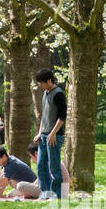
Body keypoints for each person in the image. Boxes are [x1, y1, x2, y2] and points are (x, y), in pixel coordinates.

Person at [33, 68, 66, 199]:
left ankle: (56, 194)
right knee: (40, 165)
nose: (40, 86)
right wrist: (40, 132)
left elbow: (62, 117)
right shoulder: (45, 93)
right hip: (44, 136)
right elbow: (44, 116)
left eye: (41, 83)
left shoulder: (58, 94)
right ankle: (45, 192)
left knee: (54, 167)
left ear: (48, 80)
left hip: (54, 136)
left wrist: (53, 133)